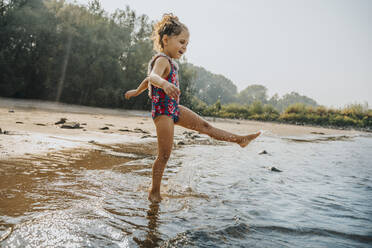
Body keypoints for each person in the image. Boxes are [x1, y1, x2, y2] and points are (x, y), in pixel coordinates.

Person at [125, 13, 261, 203]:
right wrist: (164, 85)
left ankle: (240, 140)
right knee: (164, 155)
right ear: (166, 39)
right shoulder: (162, 59)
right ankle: (154, 191)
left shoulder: (170, 63)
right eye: (181, 42)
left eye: (187, 44)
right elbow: (154, 77)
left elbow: (148, 79)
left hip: (173, 108)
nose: (184, 47)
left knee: (206, 127)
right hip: (163, 112)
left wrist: (136, 91)